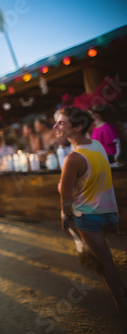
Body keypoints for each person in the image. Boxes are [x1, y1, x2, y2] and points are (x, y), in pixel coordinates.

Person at [54, 107, 126, 319]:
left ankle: (120, 305)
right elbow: (93, 179)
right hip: (111, 214)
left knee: (105, 263)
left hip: (89, 217)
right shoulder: (96, 145)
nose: (55, 126)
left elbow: (66, 195)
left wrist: (64, 215)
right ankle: (121, 287)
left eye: (61, 123)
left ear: (77, 128)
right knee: (108, 260)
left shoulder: (73, 159)